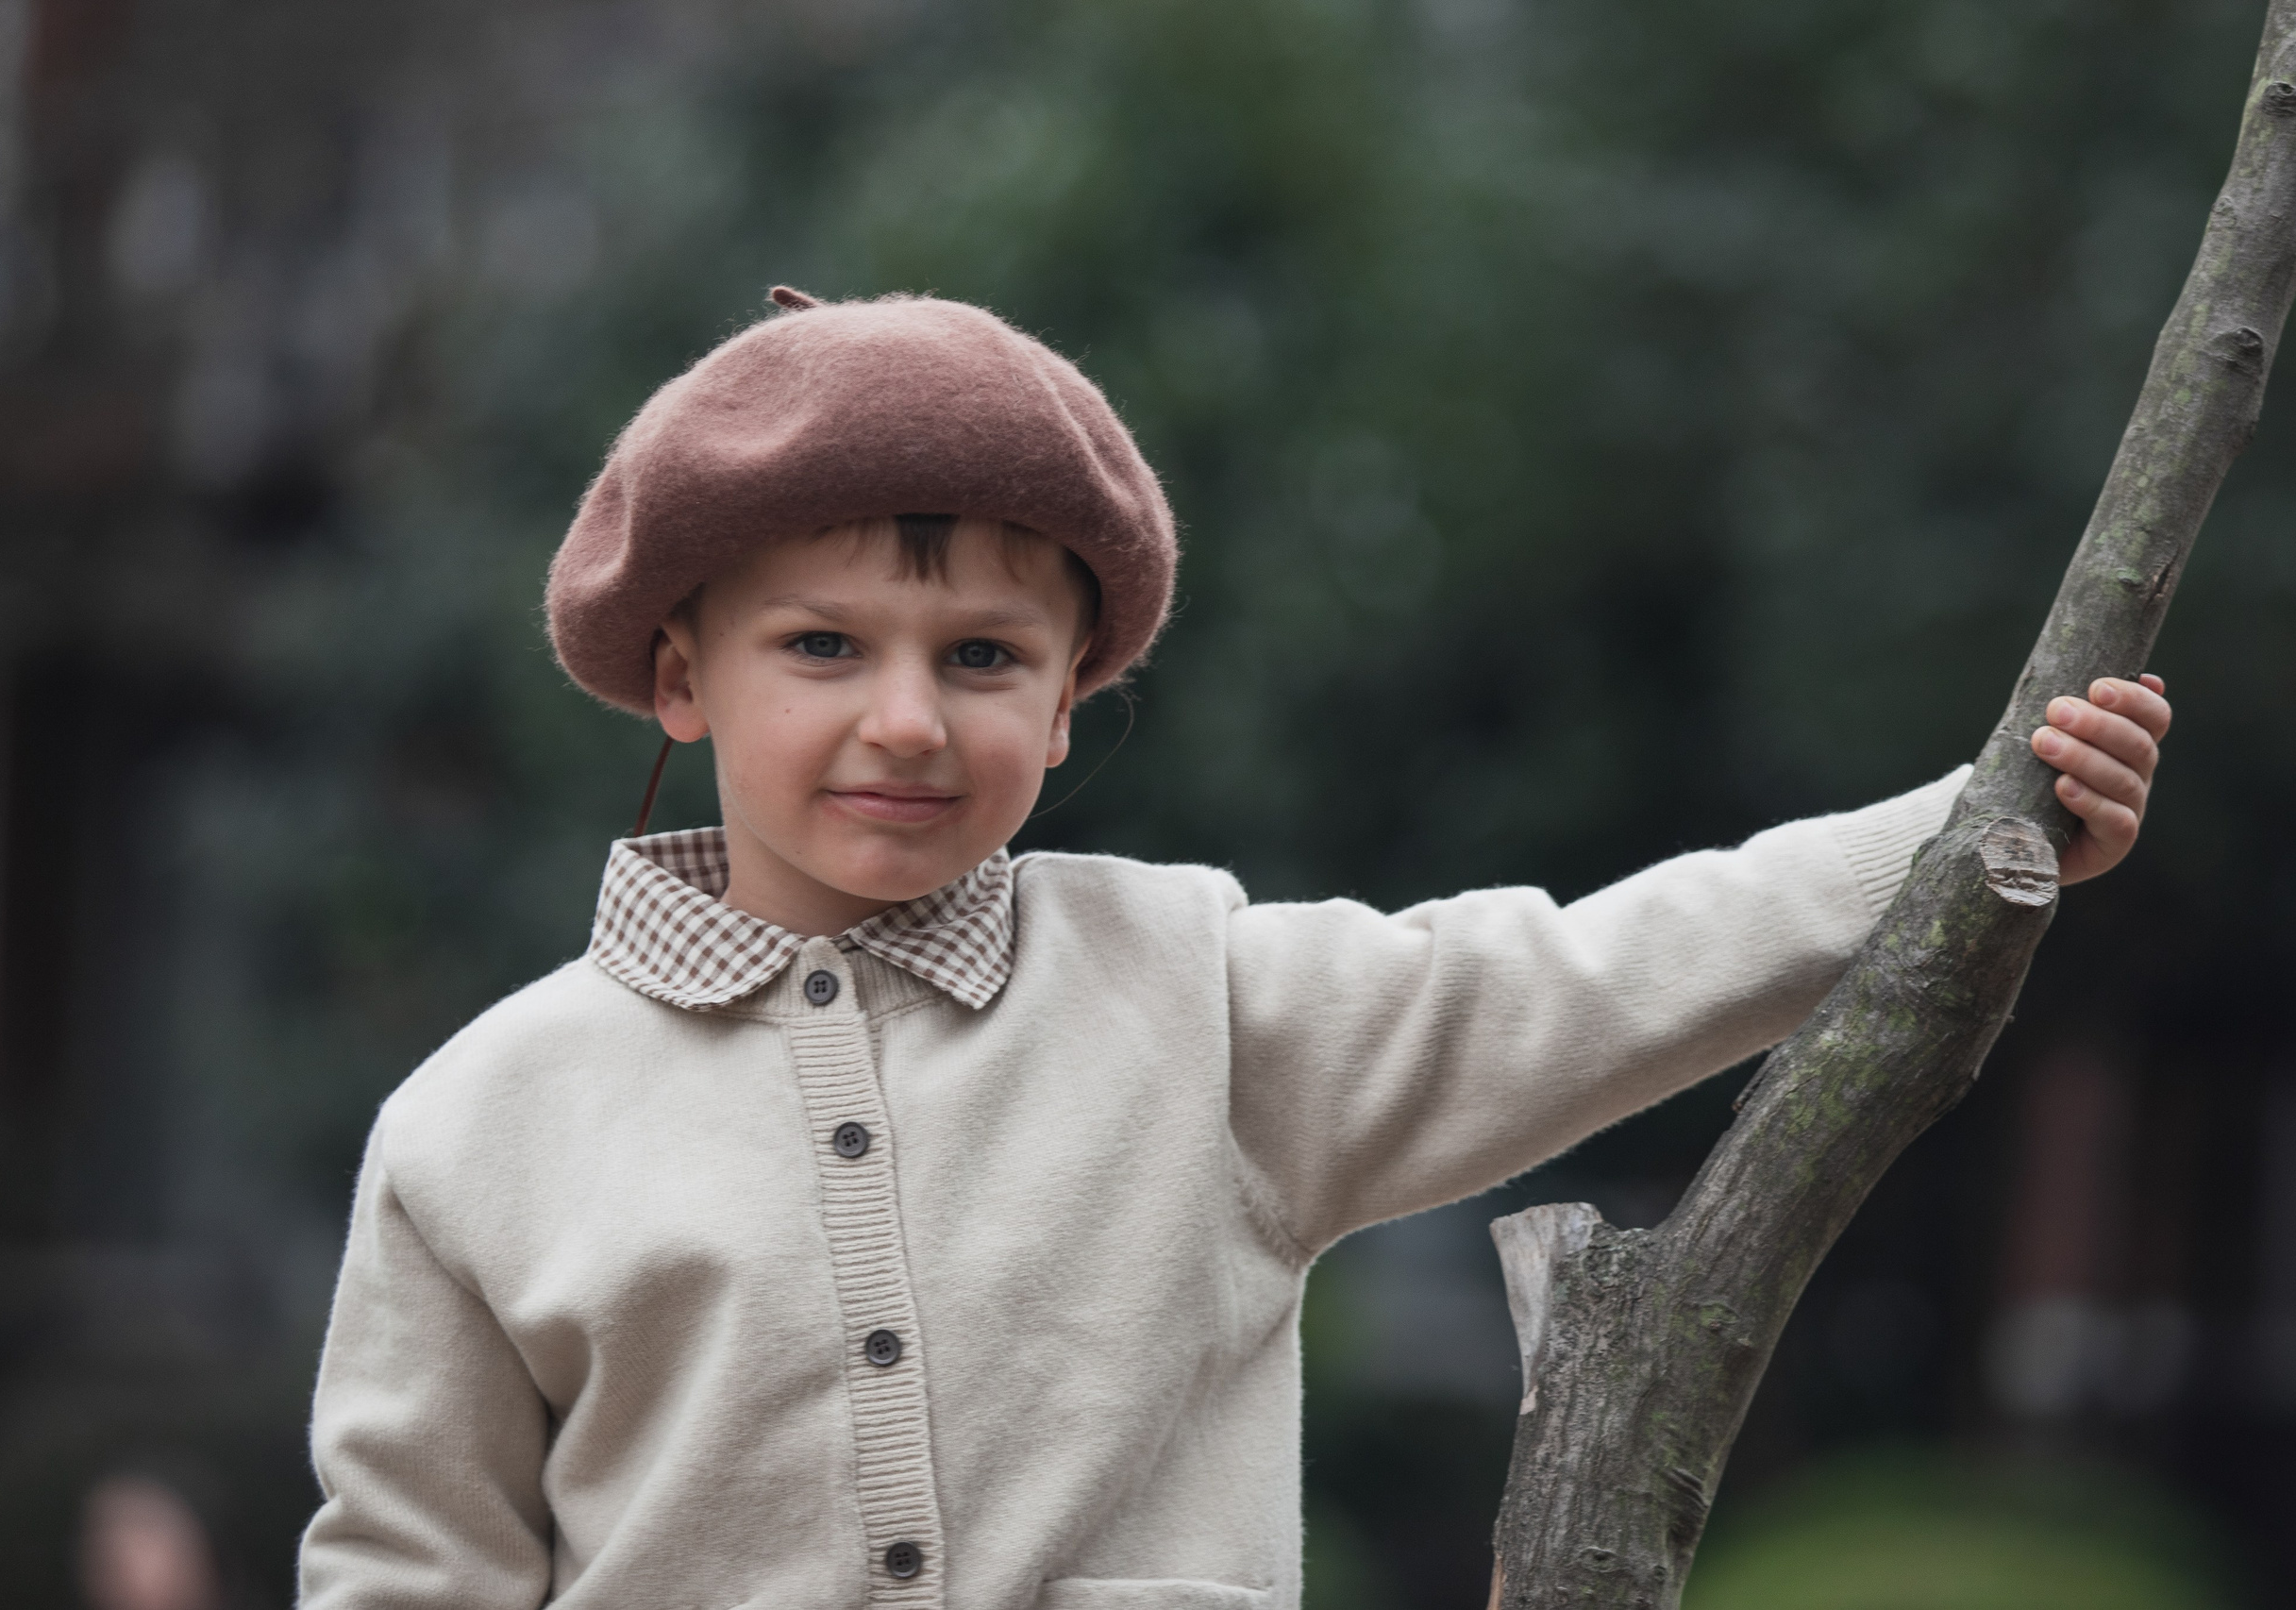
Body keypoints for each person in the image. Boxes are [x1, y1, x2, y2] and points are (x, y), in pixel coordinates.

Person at [296, 291, 2172, 1609]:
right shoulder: (484, 1127)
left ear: (1062, 702)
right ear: (680, 673)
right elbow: (409, 1571)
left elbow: (1575, 975)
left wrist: (1965, 826)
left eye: (978, 659)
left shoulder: (1193, 998)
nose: (904, 720)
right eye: (820, 647)